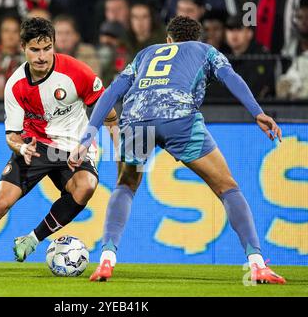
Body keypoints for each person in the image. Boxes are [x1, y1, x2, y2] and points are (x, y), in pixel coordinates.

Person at [68, 16, 286, 285]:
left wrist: (88, 135)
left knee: (125, 186)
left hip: (137, 121)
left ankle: (106, 260)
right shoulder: (205, 50)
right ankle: (257, 264)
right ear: (197, 38)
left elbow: (112, 92)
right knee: (228, 188)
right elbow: (230, 77)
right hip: (179, 119)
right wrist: (257, 113)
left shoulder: (146, 53)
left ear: (168, 40)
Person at [0, 17, 117, 277]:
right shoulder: (15, 85)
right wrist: (21, 149)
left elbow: (108, 113)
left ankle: (33, 239)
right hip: (36, 146)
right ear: (23, 47)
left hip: (75, 146)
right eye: (35, 49)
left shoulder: (77, 72)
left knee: (86, 186)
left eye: (47, 48)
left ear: (54, 45)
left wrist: (121, 150)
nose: (42, 56)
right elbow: (11, 134)